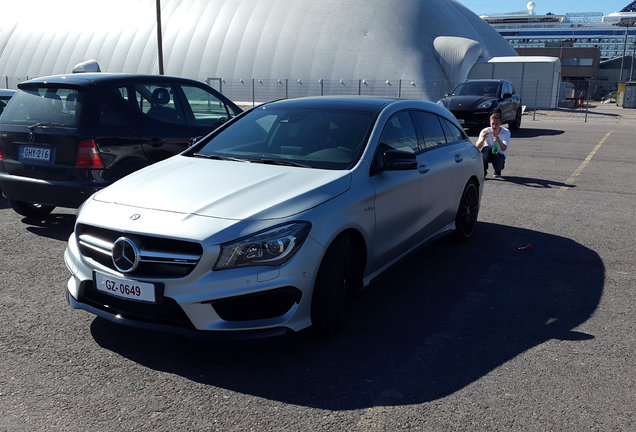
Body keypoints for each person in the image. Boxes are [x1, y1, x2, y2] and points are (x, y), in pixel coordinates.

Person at [475, 113, 510, 178]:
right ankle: (483, 172)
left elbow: (503, 148)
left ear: (501, 123)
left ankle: (497, 170)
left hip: (498, 153)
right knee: (486, 149)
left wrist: (499, 140)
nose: (494, 126)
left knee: (498, 166)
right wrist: (482, 138)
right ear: (490, 123)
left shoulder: (505, 132)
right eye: (492, 124)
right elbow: (477, 146)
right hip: (487, 153)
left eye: (497, 124)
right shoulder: (485, 131)